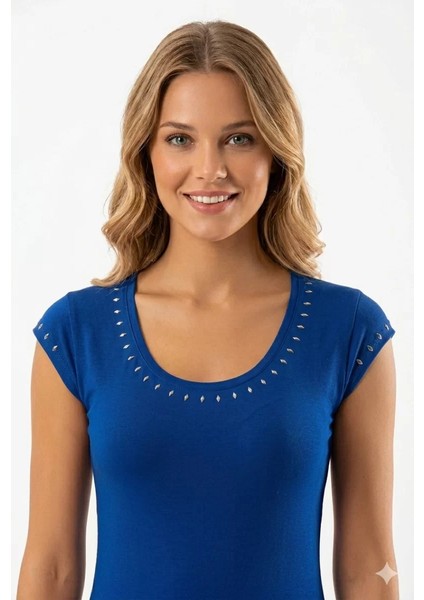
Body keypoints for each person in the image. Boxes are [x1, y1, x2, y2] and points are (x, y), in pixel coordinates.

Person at [17, 19, 399, 600]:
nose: (210, 169)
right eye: (180, 139)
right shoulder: (75, 336)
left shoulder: (349, 333)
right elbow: (50, 570)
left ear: (276, 152)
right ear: (145, 153)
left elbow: (370, 566)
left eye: (239, 139)